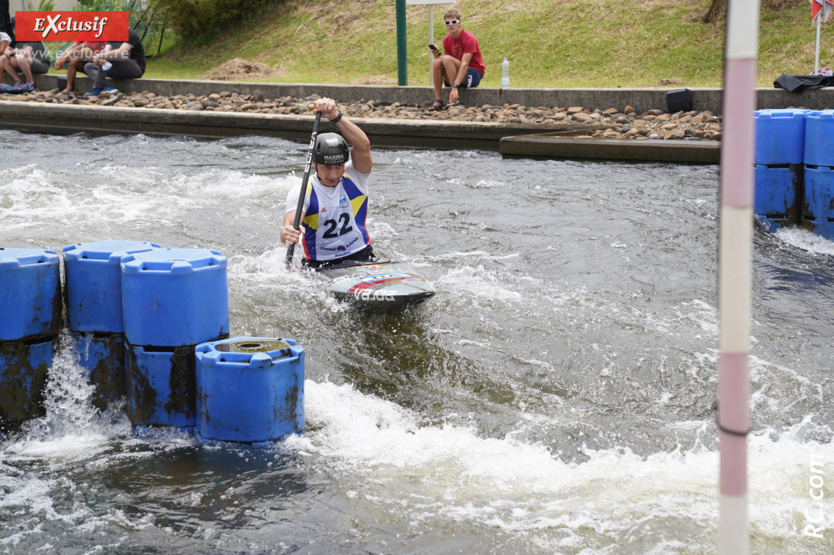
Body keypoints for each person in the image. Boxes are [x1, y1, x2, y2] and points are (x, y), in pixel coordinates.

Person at [280, 97, 376, 268]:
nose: (333, 174)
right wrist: (287, 232)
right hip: (320, 265)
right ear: (315, 164)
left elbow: (363, 145)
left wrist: (335, 116)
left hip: (361, 255)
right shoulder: (303, 191)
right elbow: (290, 224)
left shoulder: (355, 176)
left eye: (339, 166)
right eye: (326, 167)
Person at [428, 8, 485, 111]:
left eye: (454, 22)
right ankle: (438, 100)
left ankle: (455, 99)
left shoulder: (469, 38)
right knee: (437, 62)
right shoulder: (446, 40)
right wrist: (439, 58)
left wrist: (454, 87)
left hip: (473, 73)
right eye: (447, 22)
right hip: (457, 73)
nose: (451, 24)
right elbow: (448, 62)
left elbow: (464, 64)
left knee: (446, 59)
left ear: (459, 23)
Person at [80, 27, 146, 98]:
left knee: (112, 55)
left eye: (119, 20)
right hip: (118, 70)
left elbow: (120, 52)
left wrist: (100, 56)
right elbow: (106, 50)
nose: (116, 23)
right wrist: (100, 59)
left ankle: (98, 87)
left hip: (135, 69)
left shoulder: (131, 34)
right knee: (88, 66)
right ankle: (108, 87)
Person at [0, 18, 49, 92]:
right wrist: (11, 56)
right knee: (3, 58)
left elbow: (26, 52)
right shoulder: (17, 36)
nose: (17, 28)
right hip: (24, 62)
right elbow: (6, 51)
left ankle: (30, 83)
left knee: (21, 57)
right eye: (14, 26)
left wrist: (14, 52)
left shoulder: (33, 34)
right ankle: (18, 81)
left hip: (42, 64)